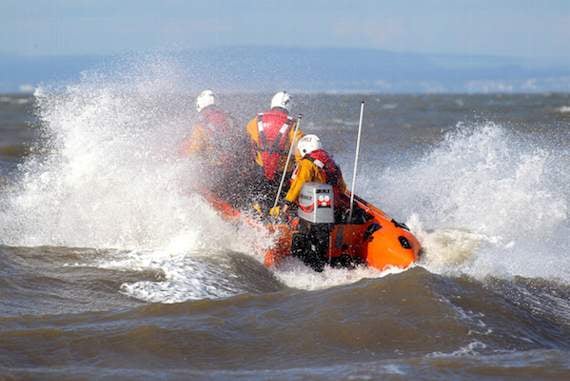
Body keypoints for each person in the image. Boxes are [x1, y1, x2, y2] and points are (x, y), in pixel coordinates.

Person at [181, 89, 249, 205]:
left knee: (190, 184)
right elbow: (242, 142)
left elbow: (194, 153)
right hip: (235, 172)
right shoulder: (231, 120)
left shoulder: (201, 126)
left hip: (216, 175)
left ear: (200, 106)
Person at [245, 91, 304, 210]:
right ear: (288, 106)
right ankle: (279, 213)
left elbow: (247, 140)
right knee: (280, 198)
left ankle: (257, 210)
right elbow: (301, 147)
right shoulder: (292, 124)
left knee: (257, 194)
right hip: (283, 174)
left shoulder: (256, 120)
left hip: (260, 169)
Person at [270, 134, 348, 218]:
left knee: (275, 210)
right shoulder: (331, 161)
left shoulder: (307, 163)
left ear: (304, 149)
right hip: (333, 203)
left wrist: (286, 204)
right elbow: (342, 187)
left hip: (314, 207)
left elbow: (299, 184)